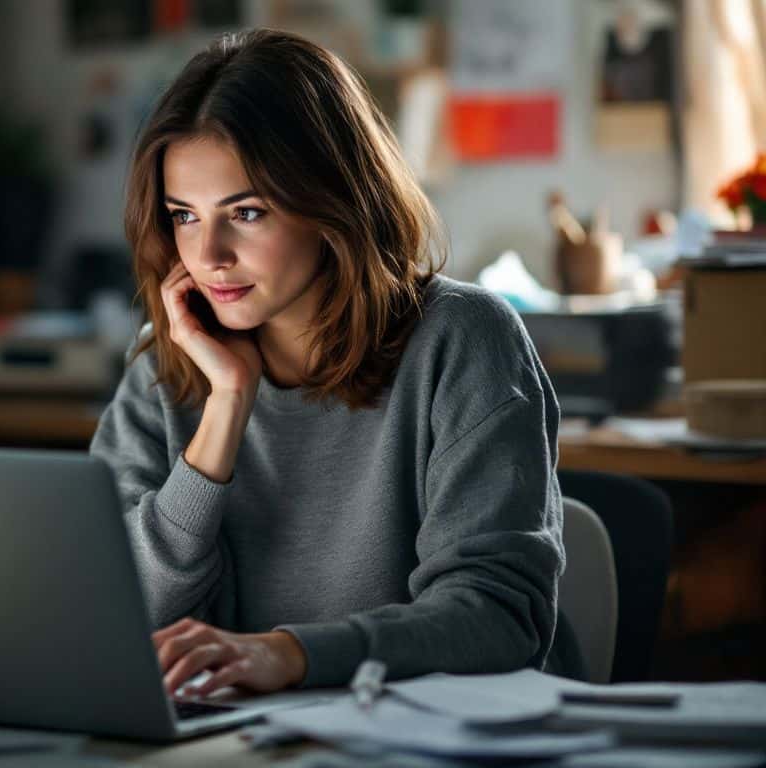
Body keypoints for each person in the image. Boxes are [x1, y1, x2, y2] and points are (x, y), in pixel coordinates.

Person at [90, 29, 568, 696]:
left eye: (246, 212)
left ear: (333, 202)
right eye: (184, 216)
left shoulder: (463, 340)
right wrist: (224, 411)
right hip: (229, 742)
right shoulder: (165, 365)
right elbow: (105, 617)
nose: (209, 255)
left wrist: (291, 655)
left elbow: (496, 619)